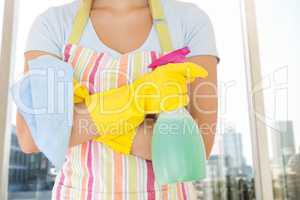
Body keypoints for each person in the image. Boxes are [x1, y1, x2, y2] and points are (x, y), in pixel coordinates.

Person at [16, 0, 219, 199]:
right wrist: (137, 99)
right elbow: (31, 138)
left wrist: (73, 120)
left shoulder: (189, 21)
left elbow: (195, 149)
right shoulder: (53, 24)